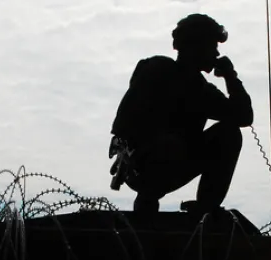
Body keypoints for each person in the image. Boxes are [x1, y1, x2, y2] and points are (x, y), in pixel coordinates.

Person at [109, 13, 254, 215]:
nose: (216, 53)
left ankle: (206, 208)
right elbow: (125, 121)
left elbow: (243, 116)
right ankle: (146, 204)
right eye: (212, 46)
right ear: (196, 45)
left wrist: (231, 77)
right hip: (140, 163)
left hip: (177, 159)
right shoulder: (157, 69)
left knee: (228, 134)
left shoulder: (202, 90)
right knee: (168, 145)